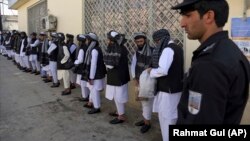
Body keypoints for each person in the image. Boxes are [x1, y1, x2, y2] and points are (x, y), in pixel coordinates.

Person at [171, 0, 250, 124]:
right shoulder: (232, 51)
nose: (182, 23)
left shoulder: (210, 63)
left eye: (188, 15)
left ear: (209, 16)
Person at [147, 29, 184, 141]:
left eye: (157, 42)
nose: (157, 45)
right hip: (175, 89)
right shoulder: (178, 48)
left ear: (160, 40)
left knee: (166, 118)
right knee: (173, 116)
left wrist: (151, 71)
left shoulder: (167, 50)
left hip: (168, 91)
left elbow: (162, 70)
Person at [104, 30, 130, 124]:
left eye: (108, 40)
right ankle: (119, 112)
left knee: (118, 96)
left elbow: (110, 64)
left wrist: (106, 63)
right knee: (117, 96)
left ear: (112, 40)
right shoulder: (119, 47)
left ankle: (121, 116)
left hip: (118, 77)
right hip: (118, 76)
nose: (107, 41)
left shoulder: (117, 48)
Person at [131, 32, 153, 133]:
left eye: (141, 41)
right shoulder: (137, 52)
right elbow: (133, 65)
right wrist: (135, 78)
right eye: (137, 41)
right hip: (139, 79)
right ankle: (145, 119)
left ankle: (147, 123)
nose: (139, 43)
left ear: (145, 40)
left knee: (146, 102)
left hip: (149, 81)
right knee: (143, 101)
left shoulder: (152, 51)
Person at [82, 32, 106, 114]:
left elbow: (93, 65)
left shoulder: (94, 50)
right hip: (97, 74)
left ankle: (97, 107)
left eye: (88, 39)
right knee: (92, 90)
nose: (87, 41)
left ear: (92, 41)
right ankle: (92, 103)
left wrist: (91, 77)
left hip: (95, 75)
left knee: (94, 91)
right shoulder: (95, 49)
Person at [74, 34, 90, 102]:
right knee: (85, 83)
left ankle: (84, 96)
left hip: (81, 68)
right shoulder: (87, 47)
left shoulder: (81, 49)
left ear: (80, 41)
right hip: (86, 66)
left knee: (83, 84)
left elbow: (80, 60)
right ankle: (87, 95)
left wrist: (75, 62)